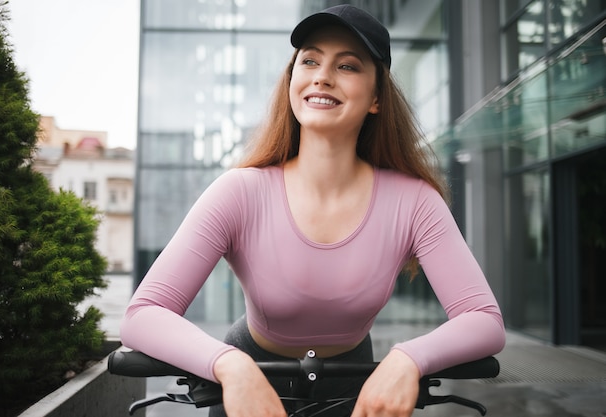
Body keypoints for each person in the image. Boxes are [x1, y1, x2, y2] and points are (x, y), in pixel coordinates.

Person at [120, 4, 505, 417]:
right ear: (293, 80)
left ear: (376, 98)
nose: (322, 75)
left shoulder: (415, 201)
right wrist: (229, 365)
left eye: (348, 66)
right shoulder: (240, 191)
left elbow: (483, 319)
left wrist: (410, 359)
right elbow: (143, 315)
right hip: (247, 377)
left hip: (357, 384)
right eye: (310, 60)